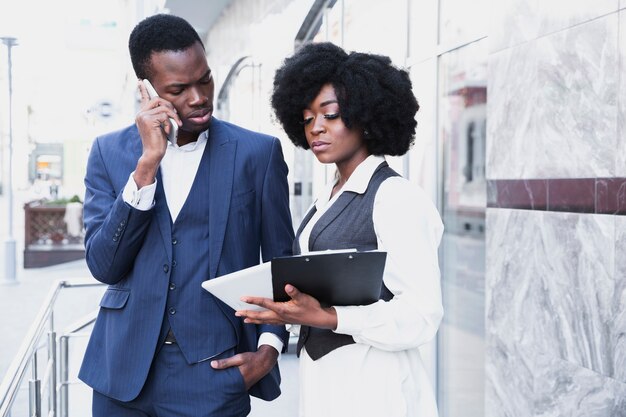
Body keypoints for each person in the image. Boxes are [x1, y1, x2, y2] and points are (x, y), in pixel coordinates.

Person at [78, 14, 294, 417]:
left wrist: (269, 347)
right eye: (179, 89)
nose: (198, 97)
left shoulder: (257, 154)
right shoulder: (109, 153)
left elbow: (282, 263)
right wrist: (146, 167)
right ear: (147, 90)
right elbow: (104, 265)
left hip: (212, 373)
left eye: (205, 80)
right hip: (121, 374)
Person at [237, 42, 444, 417]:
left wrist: (329, 317)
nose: (316, 128)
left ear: (366, 116)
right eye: (306, 119)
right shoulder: (327, 199)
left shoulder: (395, 197)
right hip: (326, 382)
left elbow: (421, 315)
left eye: (330, 115)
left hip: (375, 384)